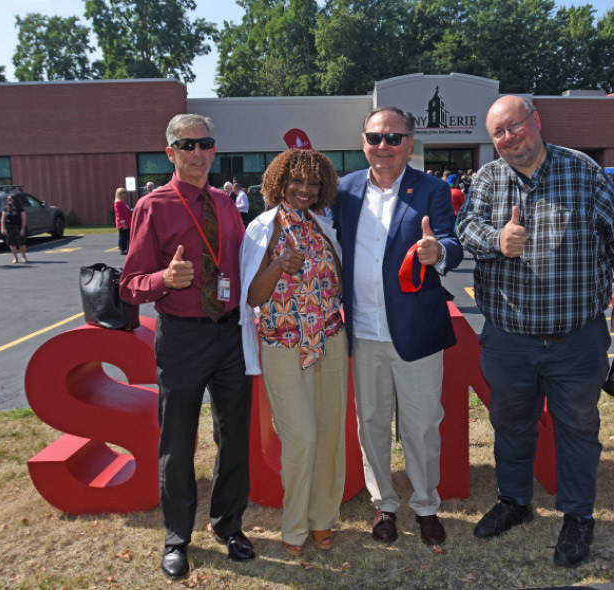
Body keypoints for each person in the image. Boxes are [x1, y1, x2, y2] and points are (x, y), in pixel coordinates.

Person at [456, 95, 614, 568]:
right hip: (509, 339)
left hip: (575, 339)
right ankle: (515, 501)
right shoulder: (486, 179)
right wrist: (496, 240)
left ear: (535, 121)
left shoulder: (581, 172)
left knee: (578, 429)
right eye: (498, 133)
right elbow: (465, 228)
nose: (507, 139)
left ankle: (578, 516)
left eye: (514, 127)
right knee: (511, 426)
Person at [119, 114, 254, 579]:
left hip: (232, 334)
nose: (198, 152)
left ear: (214, 149)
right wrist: (163, 279)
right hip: (182, 337)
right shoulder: (152, 207)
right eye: (187, 144)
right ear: (170, 151)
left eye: (206, 143)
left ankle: (229, 525)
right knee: (176, 441)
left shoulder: (227, 203)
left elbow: (242, 267)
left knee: (234, 434)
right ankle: (177, 536)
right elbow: (130, 285)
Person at [333, 106, 463, 546]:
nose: (382, 146)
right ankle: (383, 505)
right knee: (370, 421)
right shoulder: (344, 189)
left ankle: (426, 504)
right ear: (363, 141)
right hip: (363, 332)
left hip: (417, 331)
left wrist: (437, 252)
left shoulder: (431, 190)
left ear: (410, 142)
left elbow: (451, 242)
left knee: (422, 425)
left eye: (393, 138)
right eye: (374, 138)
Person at [239, 149, 346, 557]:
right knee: (301, 438)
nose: (304, 189)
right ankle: (295, 525)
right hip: (283, 344)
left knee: (330, 435)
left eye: (313, 183)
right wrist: (279, 264)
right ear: (279, 183)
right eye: (296, 181)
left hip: (329, 341)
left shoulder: (324, 225)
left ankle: (322, 519)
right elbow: (252, 296)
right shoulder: (262, 229)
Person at [1, 194, 28, 263]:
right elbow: (3, 219)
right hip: (9, 227)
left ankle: (24, 256)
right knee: (12, 243)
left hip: (18, 226)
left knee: (21, 243)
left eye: (10, 199)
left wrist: (22, 229)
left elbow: (24, 219)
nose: (9, 200)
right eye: (8, 199)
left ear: (14, 199)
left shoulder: (20, 209)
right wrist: (2, 228)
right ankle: (15, 257)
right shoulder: (6, 208)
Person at [114, 188, 132, 255]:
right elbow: (119, 214)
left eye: (125, 192)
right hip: (123, 223)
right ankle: (122, 249)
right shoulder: (118, 203)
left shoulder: (123, 202)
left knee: (127, 236)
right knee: (123, 236)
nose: (125, 194)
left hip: (128, 222)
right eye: (123, 192)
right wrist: (122, 223)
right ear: (119, 194)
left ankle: (128, 248)